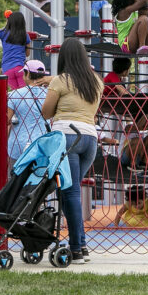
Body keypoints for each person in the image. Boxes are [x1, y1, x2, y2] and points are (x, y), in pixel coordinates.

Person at [41, 37, 103, 263]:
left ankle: (78, 247)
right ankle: (79, 243)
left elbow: (46, 112)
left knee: (71, 192)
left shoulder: (60, 81)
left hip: (67, 138)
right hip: (90, 139)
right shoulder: (97, 82)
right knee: (68, 191)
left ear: (64, 57)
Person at [5, 60, 50, 160]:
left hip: (18, 146)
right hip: (43, 145)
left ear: (28, 73)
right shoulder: (50, 94)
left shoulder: (16, 94)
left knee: (16, 174)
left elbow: (5, 120)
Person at [0, 12, 31, 89]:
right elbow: (27, 54)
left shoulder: (3, 32)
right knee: (23, 95)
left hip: (7, 69)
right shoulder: (25, 35)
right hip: (20, 68)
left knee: (12, 96)